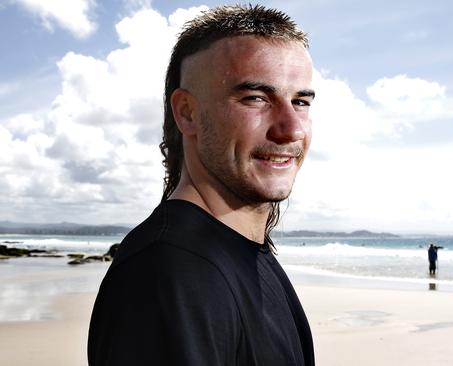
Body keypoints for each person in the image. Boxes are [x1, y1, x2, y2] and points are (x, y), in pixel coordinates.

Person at [88, 5, 315, 365]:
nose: (292, 129)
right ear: (187, 113)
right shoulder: (170, 275)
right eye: (255, 98)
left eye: (300, 101)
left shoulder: (247, 255)